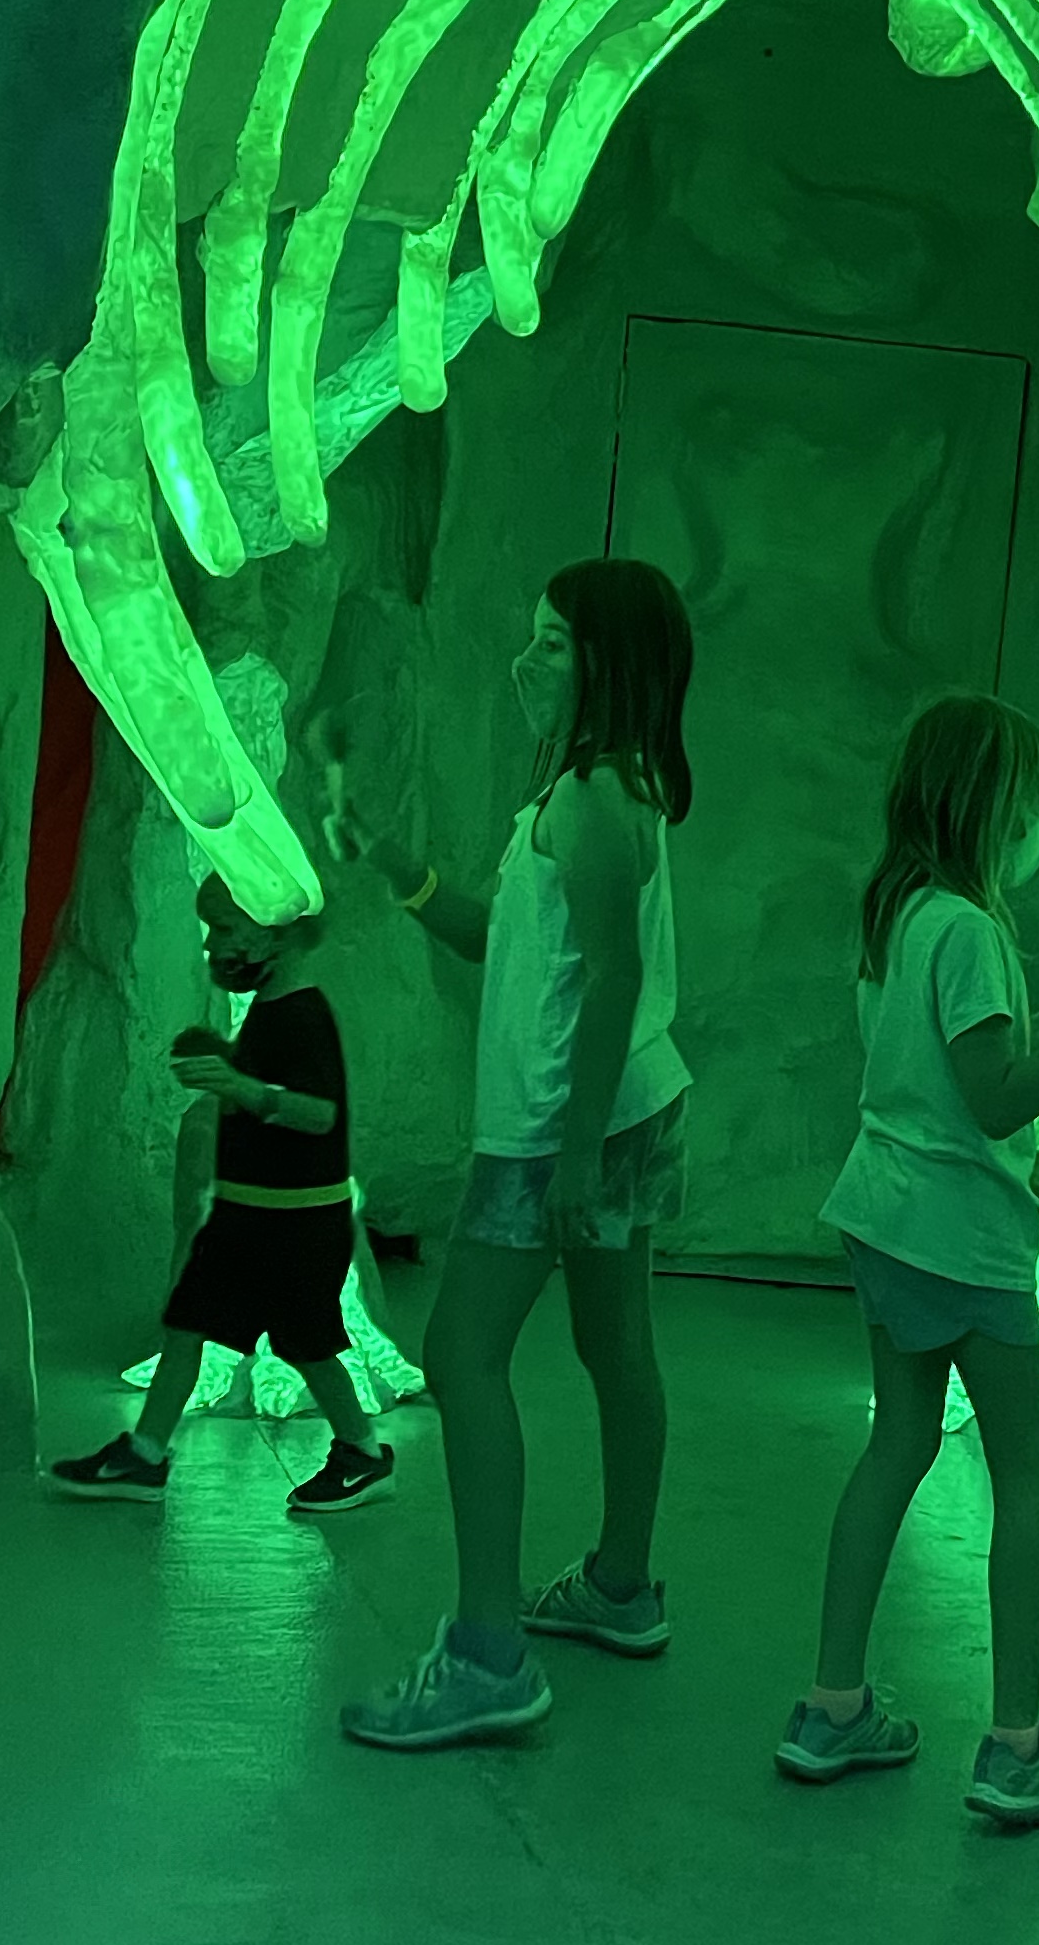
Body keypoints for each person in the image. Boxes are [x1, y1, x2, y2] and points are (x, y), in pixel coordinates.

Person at [780, 694, 1039, 1828]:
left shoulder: (905, 914)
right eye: (1030, 799)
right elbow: (1000, 1093)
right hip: (961, 1240)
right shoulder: (969, 931)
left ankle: (831, 1706)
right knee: (1028, 1467)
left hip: (884, 1215)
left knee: (899, 1443)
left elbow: (986, 1041)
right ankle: (1017, 1746)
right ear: (988, 806)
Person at [331, 558, 695, 1748]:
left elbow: (613, 978)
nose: (523, 662)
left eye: (551, 644)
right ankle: (622, 1585)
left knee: (459, 1350)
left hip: (556, 1128)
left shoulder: (590, 799)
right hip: (626, 1106)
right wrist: (401, 869)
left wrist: (572, 1154)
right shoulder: (597, 788)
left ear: (606, 665)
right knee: (614, 1342)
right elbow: (514, 939)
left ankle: (489, 1654)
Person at [51, 876, 394, 1514]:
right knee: (187, 1326)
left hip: (294, 1223)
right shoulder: (269, 1011)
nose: (214, 946)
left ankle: (363, 1452)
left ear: (274, 936)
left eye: (227, 930)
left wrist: (239, 1087)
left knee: (309, 1345)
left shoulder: (303, 1015)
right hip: (246, 1216)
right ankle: (145, 1452)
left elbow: (319, 1113)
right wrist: (224, 1066)